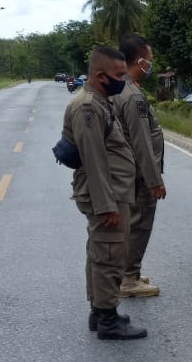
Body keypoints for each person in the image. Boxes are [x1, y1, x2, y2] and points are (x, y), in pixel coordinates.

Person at [61, 45, 146, 340]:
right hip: (105, 195)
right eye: (118, 74)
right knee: (110, 254)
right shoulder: (88, 107)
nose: (123, 79)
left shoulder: (100, 101)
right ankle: (108, 318)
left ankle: (100, 311)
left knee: (100, 252)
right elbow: (95, 159)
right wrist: (106, 205)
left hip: (112, 192)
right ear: (100, 75)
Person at [116, 35, 166, 299]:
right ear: (140, 61)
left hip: (126, 171)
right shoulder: (132, 95)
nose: (151, 65)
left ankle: (128, 272)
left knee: (131, 223)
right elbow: (142, 141)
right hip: (137, 174)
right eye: (150, 60)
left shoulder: (120, 87)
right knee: (140, 224)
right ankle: (128, 279)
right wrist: (154, 179)